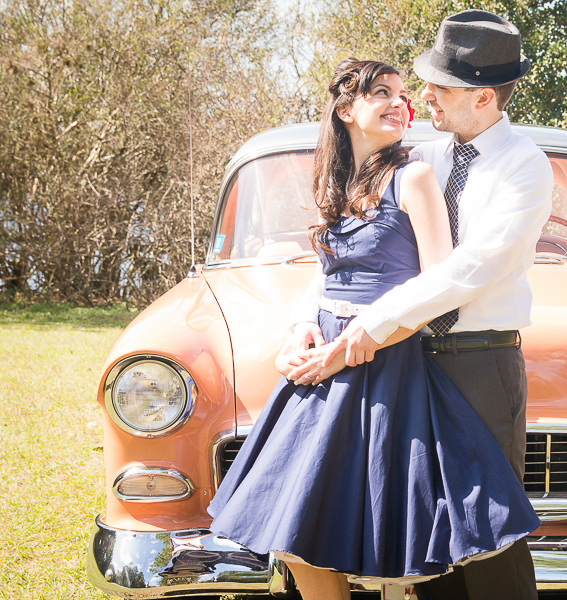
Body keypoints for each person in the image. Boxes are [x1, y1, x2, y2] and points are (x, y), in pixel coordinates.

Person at [207, 58, 540, 600]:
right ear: (344, 109)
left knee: (464, 536)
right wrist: (299, 327)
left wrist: (361, 334)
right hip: (334, 360)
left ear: (482, 97)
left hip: (401, 356)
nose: (409, 101)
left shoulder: (497, 164)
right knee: (300, 521)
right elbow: (324, 273)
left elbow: (455, 274)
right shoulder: (384, 165)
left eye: (411, 92)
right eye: (384, 92)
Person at [285, 10, 554, 600]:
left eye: (440, 86)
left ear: (483, 96)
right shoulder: (421, 159)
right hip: (408, 364)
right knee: (429, 535)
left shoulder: (524, 168)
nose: (423, 95)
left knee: (486, 532)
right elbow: (354, 246)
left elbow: (472, 268)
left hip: (478, 361)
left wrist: (371, 326)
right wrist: (312, 313)